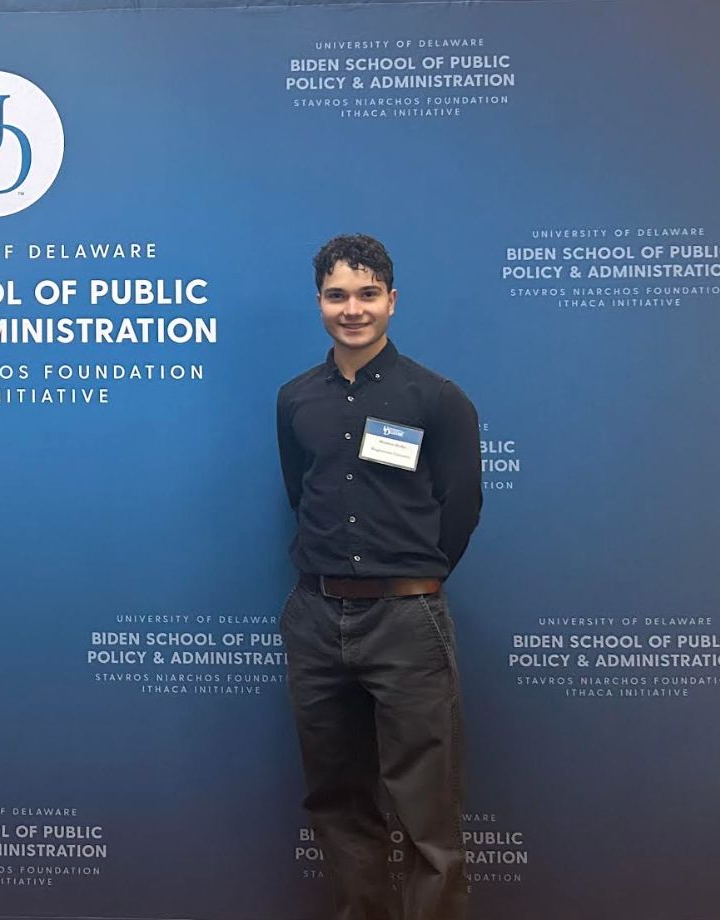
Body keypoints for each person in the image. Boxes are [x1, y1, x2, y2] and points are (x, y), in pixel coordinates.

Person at [275, 234, 481, 920]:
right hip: (315, 618)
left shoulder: (438, 398)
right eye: (338, 295)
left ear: (392, 301)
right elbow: (298, 496)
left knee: (427, 814)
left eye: (367, 294)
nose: (352, 309)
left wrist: (409, 579)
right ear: (319, 304)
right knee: (338, 804)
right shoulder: (296, 398)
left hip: (406, 621)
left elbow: (461, 508)